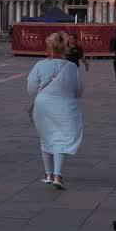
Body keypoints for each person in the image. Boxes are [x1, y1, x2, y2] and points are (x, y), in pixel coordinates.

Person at [27, 32, 84, 191]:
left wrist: (41, 95)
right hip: (65, 105)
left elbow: (31, 88)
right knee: (62, 138)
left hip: (43, 104)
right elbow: (79, 90)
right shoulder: (71, 67)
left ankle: (48, 174)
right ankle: (58, 175)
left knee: (46, 137)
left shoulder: (40, 65)